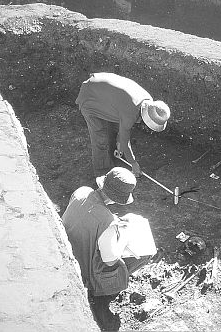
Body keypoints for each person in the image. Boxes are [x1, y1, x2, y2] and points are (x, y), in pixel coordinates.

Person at [62, 167, 152, 331]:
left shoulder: (81, 192)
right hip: (86, 269)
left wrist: (114, 223)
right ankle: (101, 297)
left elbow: (88, 215)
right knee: (144, 254)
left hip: (70, 250)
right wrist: (123, 236)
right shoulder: (107, 222)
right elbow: (110, 260)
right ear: (120, 198)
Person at [75, 72, 170, 178]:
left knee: (115, 129)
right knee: (101, 139)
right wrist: (133, 163)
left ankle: (114, 156)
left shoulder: (147, 101)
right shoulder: (130, 112)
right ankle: (103, 175)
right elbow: (125, 142)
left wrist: (120, 145)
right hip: (90, 97)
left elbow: (123, 130)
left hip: (104, 90)